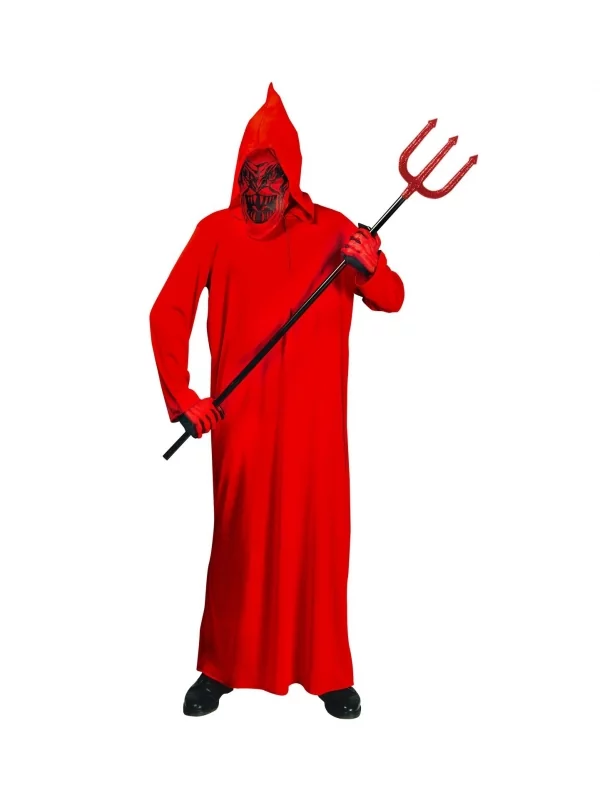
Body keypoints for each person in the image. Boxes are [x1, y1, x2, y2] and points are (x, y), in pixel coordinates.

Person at [149, 83, 404, 719]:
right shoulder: (215, 232)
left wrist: (372, 267)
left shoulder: (336, 232)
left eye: (271, 176)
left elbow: (393, 298)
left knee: (319, 545)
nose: (259, 189)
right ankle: (220, 666)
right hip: (244, 427)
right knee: (240, 544)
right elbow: (169, 310)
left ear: (291, 176)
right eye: (250, 176)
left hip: (317, 430)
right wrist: (182, 396)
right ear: (237, 175)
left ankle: (327, 671)